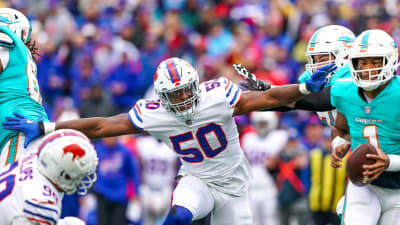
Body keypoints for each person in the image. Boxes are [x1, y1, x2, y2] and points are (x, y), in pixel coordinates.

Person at [3, 57, 333, 225]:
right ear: (162, 96)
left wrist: (303, 90)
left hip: (234, 186)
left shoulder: (217, 97)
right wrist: (48, 128)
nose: (184, 98)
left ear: (196, 84)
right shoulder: (154, 113)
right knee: (178, 217)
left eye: (187, 90)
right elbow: (103, 125)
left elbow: (270, 98)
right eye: (175, 94)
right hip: (197, 179)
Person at [330, 29, 400, 225]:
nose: (367, 69)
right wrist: (338, 143)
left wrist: (389, 161)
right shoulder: (345, 91)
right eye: (362, 62)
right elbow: (340, 128)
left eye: (375, 62)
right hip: (364, 185)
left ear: (390, 61)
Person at [236, 25, 355, 125]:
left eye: (323, 59)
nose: (317, 66)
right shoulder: (317, 79)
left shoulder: (354, 79)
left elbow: (319, 100)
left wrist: (271, 90)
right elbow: (283, 103)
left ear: (345, 56)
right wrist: (242, 99)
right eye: (314, 60)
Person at [0, 129, 98, 225]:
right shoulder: (41, 204)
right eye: (80, 174)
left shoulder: (36, 158)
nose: (83, 177)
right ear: (63, 174)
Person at [0, 8, 49, 166]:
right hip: (28, 126)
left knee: (8, 189)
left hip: (18, 128)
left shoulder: (7, 39)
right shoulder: (21, 55)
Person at [241, 111, 288, 225]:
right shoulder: (248, 138)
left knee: (270, 219)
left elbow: (287, 157)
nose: (262, 126)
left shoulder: (279, 136)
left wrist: (277, 161)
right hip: (251, 186)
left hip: (270, 186)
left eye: (264, 123)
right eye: (260, 123)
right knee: (253, 220)